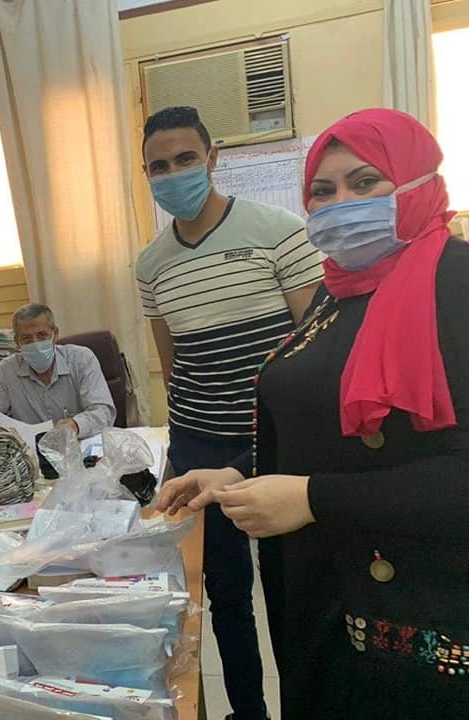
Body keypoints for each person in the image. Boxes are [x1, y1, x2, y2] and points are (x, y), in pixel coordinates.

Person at [156, 108, 469, 718]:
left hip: (418, 617)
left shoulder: (454, 283)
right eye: (323, 191)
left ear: (418, 182)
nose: (340, 204)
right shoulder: (341, 289)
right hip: (327, 595)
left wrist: (312, 498)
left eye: (365, 182)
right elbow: (327, 427)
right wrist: (239, 473)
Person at [137, 106, 323, 720]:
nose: (174, 174)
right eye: (159, 166)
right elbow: (173, 364)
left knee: (291, 589)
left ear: (212, 159)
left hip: (275, 445)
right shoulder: (151, 264)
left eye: (186, 159)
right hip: (199, 446)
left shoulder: (279, 231)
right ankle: (249, 712)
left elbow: (314, 349)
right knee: (225, 595)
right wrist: (182, 449)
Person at [0, 303, 116, 439]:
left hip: (78, 446)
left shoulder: (81, 359)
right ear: (17, 342)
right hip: (30, 452)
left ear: (55, 334)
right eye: (27, 338)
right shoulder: (6, 371)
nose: (35, 343)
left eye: (42, 335)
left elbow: (103, 411)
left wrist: (76, 425)